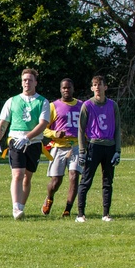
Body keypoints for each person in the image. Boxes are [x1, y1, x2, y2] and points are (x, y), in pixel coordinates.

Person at [0, 68, 51, 219]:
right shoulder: (12, 101)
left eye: (30, 80)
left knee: (27, 177)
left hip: (34, 144)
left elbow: (43, 124)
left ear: (35, 82)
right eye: (24, 80)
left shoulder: (43, 102)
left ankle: (21, 207)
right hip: (16, 142)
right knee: (18, 174)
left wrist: (28, 137)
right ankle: (16, 208)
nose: (27, 83)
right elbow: (3, 123)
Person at [75, 76, 122, 223]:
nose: (97, 87)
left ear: (105, 87)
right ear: (91, 88)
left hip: (109, 146)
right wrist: (82, 151)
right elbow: (81, 130)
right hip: (94, 146)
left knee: (108, 181)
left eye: (100, 85)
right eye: (94, 85)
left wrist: (118, 150)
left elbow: (118, 128)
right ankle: (80, 214)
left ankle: (106, 214)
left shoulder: (113, 105)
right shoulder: (87, 105)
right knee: (86, 180)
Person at [41, 78, 82, 217]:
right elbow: (44, 129)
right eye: (64, 88)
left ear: (73, 89)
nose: (66, 90)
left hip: (75, 146)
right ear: (60, 89)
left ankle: (67, 209)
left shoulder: (81, 105)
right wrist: (55, 133)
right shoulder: (54, 106)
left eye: (69, 87)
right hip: (58, 146)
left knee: (74, 175)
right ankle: (49, 198)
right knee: (55, 181)